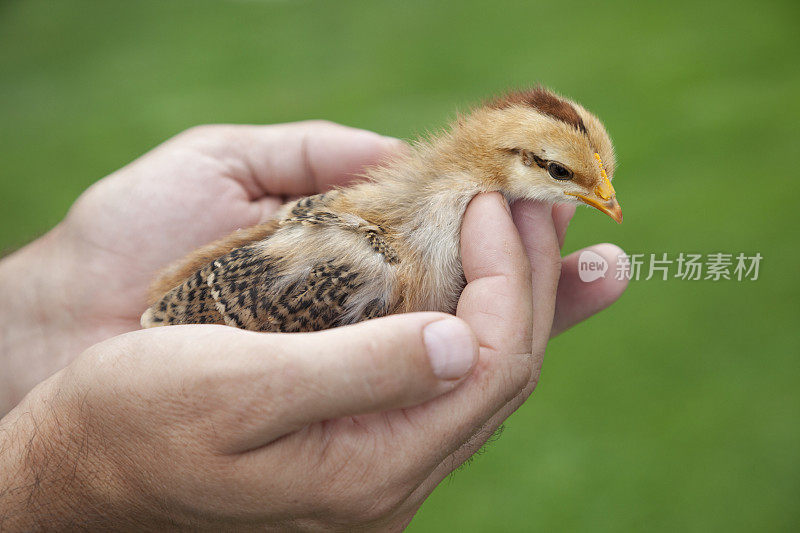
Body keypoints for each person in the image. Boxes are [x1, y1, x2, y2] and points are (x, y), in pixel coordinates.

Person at [0, 121, 627, 530]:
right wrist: (74, 471)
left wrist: (28, 312)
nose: (597, 197)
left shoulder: (424, 222)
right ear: (505, 159)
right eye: (562, 175)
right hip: (162, 338)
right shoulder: (353, 266)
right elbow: (171, 327)